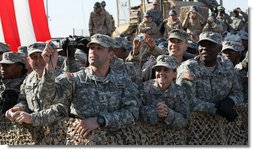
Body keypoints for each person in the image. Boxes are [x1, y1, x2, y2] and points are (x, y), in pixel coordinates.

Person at [38, 34, 139, 138]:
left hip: (114, 142)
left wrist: (101, 120)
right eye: (91, 48)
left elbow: (132, 113)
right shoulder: (75, 79)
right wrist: (50, 67)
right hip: (83, 141)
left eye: (99, 48)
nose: (93, 52)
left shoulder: (122, 81)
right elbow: (46, 97)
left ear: (110, 54)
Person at [176, 31, 243, 122]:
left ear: (219, 48)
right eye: (202, 45)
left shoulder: (227, 66)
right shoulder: (188, 68)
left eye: (210, 45)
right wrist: (216, 109)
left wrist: (231, 100)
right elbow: (186, 100)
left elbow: (238, 92)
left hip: (223, 127)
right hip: (195, 126)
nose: (204, 48)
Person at [5, 42, 66, 126]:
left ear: (48, 56)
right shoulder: (28, 79)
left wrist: (32, 118)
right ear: (28, 60)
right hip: (38, 133)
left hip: (58, 133)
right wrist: (18, 108)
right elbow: (24, 100)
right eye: (34, 57)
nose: (38, 61)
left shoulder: (61, 77)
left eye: (42, 56)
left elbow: (61, 109)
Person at [140, 55, 189, 127]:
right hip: (146, 135)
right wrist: (155, 113)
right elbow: (137, 111)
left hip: (172, 136)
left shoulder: (180, 92)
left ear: (175, 74)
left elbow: (184, 120)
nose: (161, 73)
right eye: (158, 70)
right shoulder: (144, 88)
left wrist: (169, 114)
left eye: (166, 70)